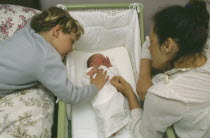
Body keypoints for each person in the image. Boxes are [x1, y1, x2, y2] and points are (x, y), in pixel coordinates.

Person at [111, 0, 210, 138]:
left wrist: (130, 93)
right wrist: (144, 75)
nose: (149, 47)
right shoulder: (201, 44)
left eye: (152, 42)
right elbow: (147, 42)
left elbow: (143, 135)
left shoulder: (165, 95)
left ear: (167, 46)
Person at [0, 7, 108, 104]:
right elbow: (72, 95)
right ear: (57, 31)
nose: (71, 49)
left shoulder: (29, 29)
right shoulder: (46, 58)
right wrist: (95, 87)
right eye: (71, 41)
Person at [82, 53, 130, 138]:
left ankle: (124, 121)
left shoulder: (107, 69)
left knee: (122, 105)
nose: (104, 58)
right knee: (105, 116)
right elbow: (85, 82)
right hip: (101, 100)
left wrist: (110, 66)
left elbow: (116, 76)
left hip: (113, 94)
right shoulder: (90, 71)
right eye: (101, 57)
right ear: (91, 64)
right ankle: (109, 131)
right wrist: (89, 74)